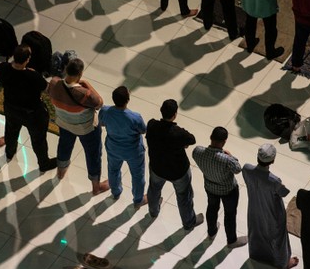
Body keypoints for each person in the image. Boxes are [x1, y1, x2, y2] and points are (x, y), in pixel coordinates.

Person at [48, 58, 109, 195]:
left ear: (65, 70)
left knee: (64, 145)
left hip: (64, 123)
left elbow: (50, 92)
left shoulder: (54, 84)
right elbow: (99, 103)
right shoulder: (83, 93)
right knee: (93, 154)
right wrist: (87, 84)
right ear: (80, 74)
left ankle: (60, 173)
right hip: (86, 129)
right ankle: (96, 187)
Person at [0, 45, 57, 173]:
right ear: (27, 59)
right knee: (38, 140)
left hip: (11, 108)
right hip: (32, 114)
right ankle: (44, 163)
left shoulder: (3, 68)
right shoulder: (33, 76)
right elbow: (47, 89)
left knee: (11, 131)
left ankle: (9, 153)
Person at [146, 99, 203, 229]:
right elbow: (192, 139)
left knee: (154, 189)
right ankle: (189, 222)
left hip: (157, 167)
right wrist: (182, 143)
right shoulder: (178, 133)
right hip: (178, 172)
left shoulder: (152, 125)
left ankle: (153, 211)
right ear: (175, 114)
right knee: (183, 197)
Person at [242, 144, 298, 269]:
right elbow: (284, 192)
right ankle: (283, 262)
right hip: (272, 213)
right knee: (277, 237)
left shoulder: (246, 169)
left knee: (256, 231)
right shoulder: (274, 180)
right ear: (272, 160)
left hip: (254, 209)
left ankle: (257, 255)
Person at [192, 127, 245, 248]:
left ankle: (211, 232)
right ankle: (231, 241)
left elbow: (195, 155)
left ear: (210, 137)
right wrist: (231, 155)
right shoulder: (226, 160)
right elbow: (237, 169)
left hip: (210, 188)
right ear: (224, 141)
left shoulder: (197, 151)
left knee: (211, 209)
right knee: (230, 214)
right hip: (228, 191)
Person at [99, 86, 147, 206]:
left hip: (113, 148)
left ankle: (115, 192)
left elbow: (101, 123)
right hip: (133, 151)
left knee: (113, 170)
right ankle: (138, 199)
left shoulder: (105, 111)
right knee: (137, 175)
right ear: (128, 100)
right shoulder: (135, 117)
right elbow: (143, 130)